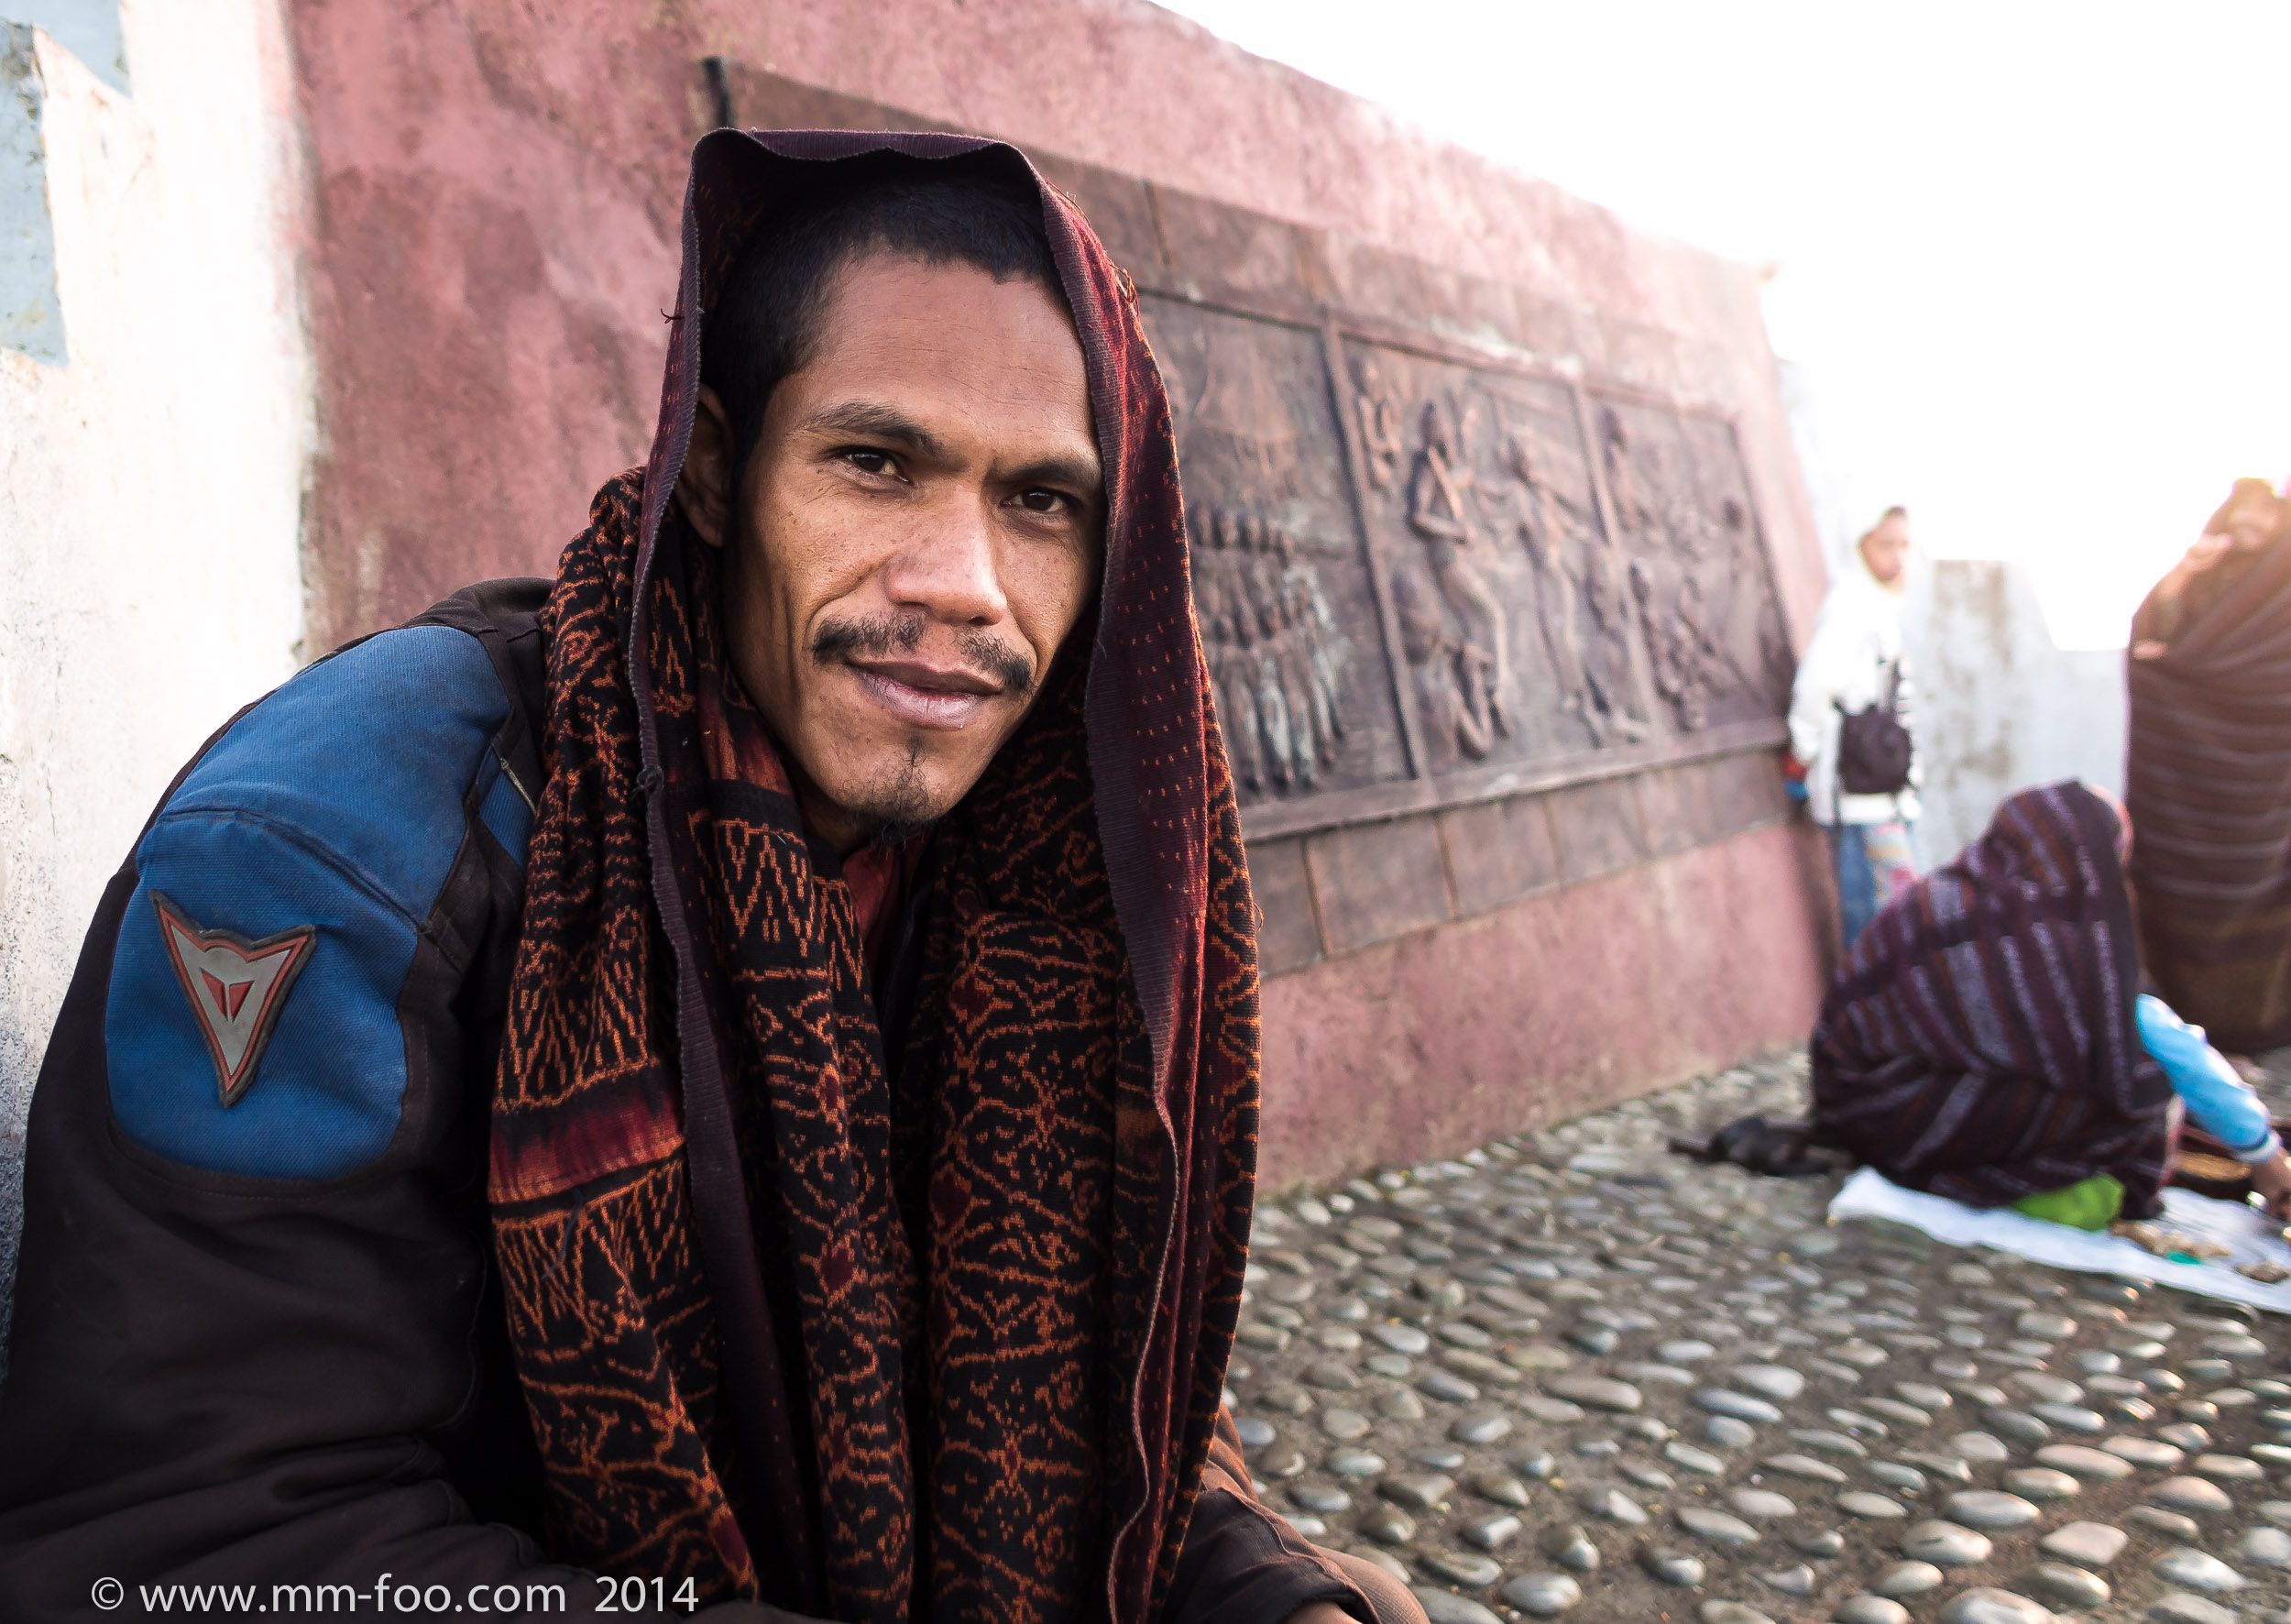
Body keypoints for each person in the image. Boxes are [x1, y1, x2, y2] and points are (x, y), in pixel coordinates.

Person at [0, 133, 1420, 1624]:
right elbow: (189, 1545)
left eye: (1042, 502)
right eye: (877, 462)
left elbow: (1087, 1382)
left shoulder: (1026, 878)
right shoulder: (345, 838)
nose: (963, 581)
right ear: (722, 471)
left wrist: (1261, 1591)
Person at [1809, 780, 2291, 1224]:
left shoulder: (1936, 898)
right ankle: (2075, 1193)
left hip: (1851, 1105)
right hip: (1909, 1120)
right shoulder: (2050, 939)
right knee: (2136, 1097)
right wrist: (2264, 1153)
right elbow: (2163, 1040)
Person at [2126, 476, 2291, 1054]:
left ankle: (2249, 1037)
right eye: (2238, 511)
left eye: (2262, 514)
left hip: (2261, 794)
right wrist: (2183, 573)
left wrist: (2223, 684)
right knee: (2175, 897)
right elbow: (2152, 650)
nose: (2248, 524)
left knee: (2256, 901)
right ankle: (2183, 1030)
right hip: (2183, 788)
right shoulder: (2202, 574)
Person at [1788, 506, 1921, 949]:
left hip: (1888, 799)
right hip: (1861, 803)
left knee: (1898, 930)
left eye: (1904, 544)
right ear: (1859, 544)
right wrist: (1802, 755)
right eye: (1886, 544)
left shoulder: (1878, 606)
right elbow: (1814, 686)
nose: (1898, 556)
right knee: (1874, 939)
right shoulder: (1851, 606)